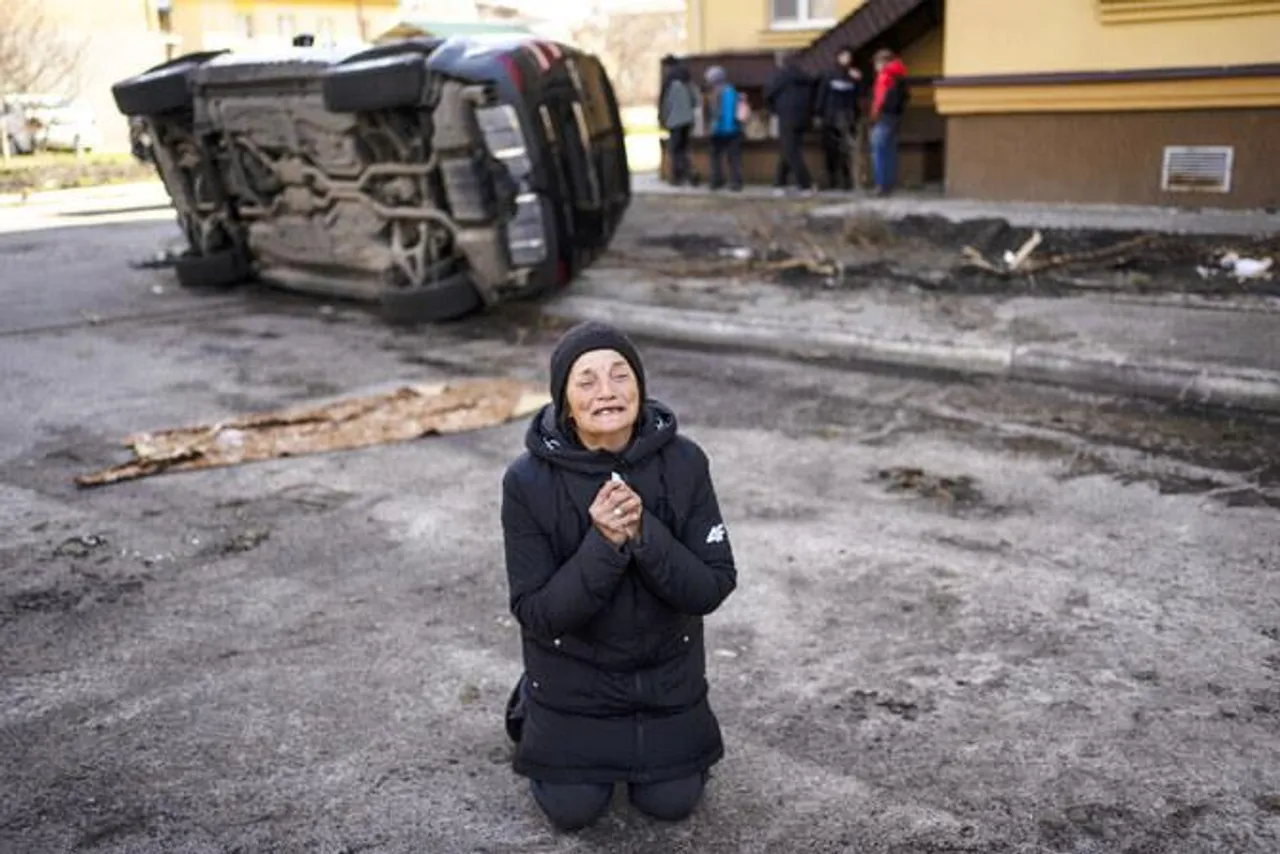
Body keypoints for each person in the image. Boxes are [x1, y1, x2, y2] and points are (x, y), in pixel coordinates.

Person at [501, 321, 738, 832]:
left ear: (640, 388)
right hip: (574, 684)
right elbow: (537, 614)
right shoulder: (526, 482)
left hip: (665, 682)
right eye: (586, 381)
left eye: (620, 375)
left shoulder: (686, 462)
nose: (606, 391)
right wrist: (605, 543)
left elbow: (711, 586)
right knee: (573, 811)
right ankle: (531, 701)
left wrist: (643, 532)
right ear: (565, 404)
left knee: (672, 802)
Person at [765, 55, 816, 194]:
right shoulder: (805, 78)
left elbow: (768, 95)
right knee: (787, 149)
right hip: (803, 118)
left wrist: (775, 110)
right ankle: (779, 183)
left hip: (786, 117)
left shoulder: (779, 78)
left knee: (791, 151)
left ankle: (806, 184)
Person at [815, 46, 864, 192]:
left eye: (848, 57)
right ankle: (832, 179)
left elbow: (860, 95)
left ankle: (847, 180)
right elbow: (821, 95)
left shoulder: (853, 76)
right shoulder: (829, 75)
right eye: (843, 56)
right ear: (838, 58)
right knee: (830, 150)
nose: (846, 60)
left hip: (848, 118)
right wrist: (818, 114)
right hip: (830, 118)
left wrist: (859, 80)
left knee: (846, 151)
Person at [869, 48, 909, 197]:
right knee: (890, 150)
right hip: (895, 117)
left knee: (879, 151)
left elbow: (881, 98)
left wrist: (877, 112)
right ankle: (889, 184)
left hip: (885, 116)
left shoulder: (886, 76)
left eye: (877, 63)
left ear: (883, 62)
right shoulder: (899, 75)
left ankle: (881, 185)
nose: (875, 66)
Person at [660, 58, 699, 186]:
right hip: (688, 120)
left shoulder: (668, 83)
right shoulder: (687, 81)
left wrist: (663, 119)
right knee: (685, 148)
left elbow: (665, 105)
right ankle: (692, 173)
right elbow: (696, 100)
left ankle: (678, 177)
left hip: (674, 121)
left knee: (675, 150)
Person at [704, 66, 743, 192]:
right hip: (734, 129)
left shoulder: (714, 93)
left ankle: (716, 180)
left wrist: (709, 128)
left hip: (718, 130)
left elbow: (714, 113)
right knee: (734, 158)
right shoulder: (732, 91)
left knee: (715, 157)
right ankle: (735, 182)